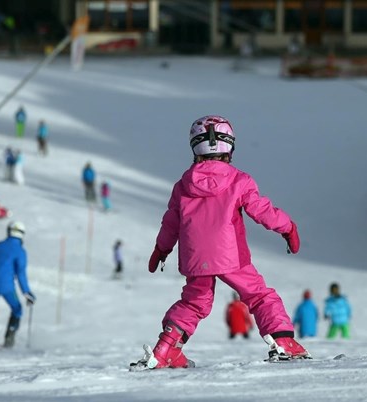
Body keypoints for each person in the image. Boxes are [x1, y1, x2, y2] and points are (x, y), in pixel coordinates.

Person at [130, 115, 307, 370]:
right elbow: (261, 210)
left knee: (194, 302)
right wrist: (288, 227)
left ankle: (167, 348)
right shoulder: (239, 180)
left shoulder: (183, 185)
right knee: (259, 296)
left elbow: (171, 222)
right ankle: (283, 342)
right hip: (230, 256)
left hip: (195, 257)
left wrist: (162, 249)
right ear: (229, 147)